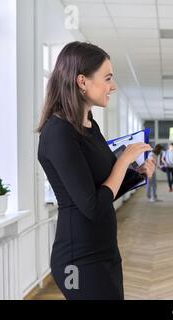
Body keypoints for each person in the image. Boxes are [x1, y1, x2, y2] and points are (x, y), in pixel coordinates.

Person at [37, 41, 156, 300]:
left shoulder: (90, 125)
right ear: (82, 81)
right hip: (78, 259)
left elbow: (105, 188)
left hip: (105, 251)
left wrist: (138, 174)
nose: (112, 86)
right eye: (107, 78)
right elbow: (92, 205)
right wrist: (124, 161)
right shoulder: (58, 132)